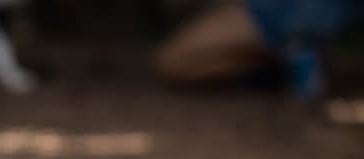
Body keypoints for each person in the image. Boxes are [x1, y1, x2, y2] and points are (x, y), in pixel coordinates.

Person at [155, 0, 364, 98]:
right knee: (174, 63)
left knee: (175, 61)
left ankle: (300, 47)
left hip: (283, 13)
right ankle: (289, 64)